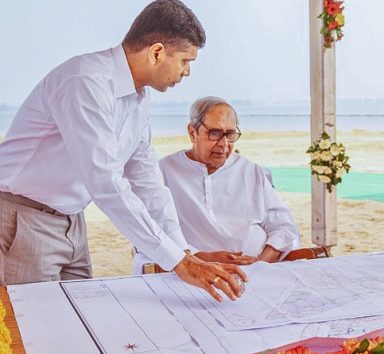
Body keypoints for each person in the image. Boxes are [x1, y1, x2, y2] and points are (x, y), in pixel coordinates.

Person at [0, 0, 245, 302]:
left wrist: (183, 251)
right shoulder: (85, 81)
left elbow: (147, 183)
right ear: (157, 52)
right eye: (185, 60)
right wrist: (178, 263)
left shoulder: (138, 98)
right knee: (31, 328)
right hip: (22, 220)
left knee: (79, 320)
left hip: (72, 220)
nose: (187, 72)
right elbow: (106, 182)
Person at [134, 97, 301, 273]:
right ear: (192, 133)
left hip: (259, 271)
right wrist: (200, 258)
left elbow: (284, 228)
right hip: (196, 272)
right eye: (214, 133)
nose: (223, 144)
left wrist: (259, 264)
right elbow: (149, 233)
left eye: (230, 134)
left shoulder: (251, 171)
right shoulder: (164, 172)